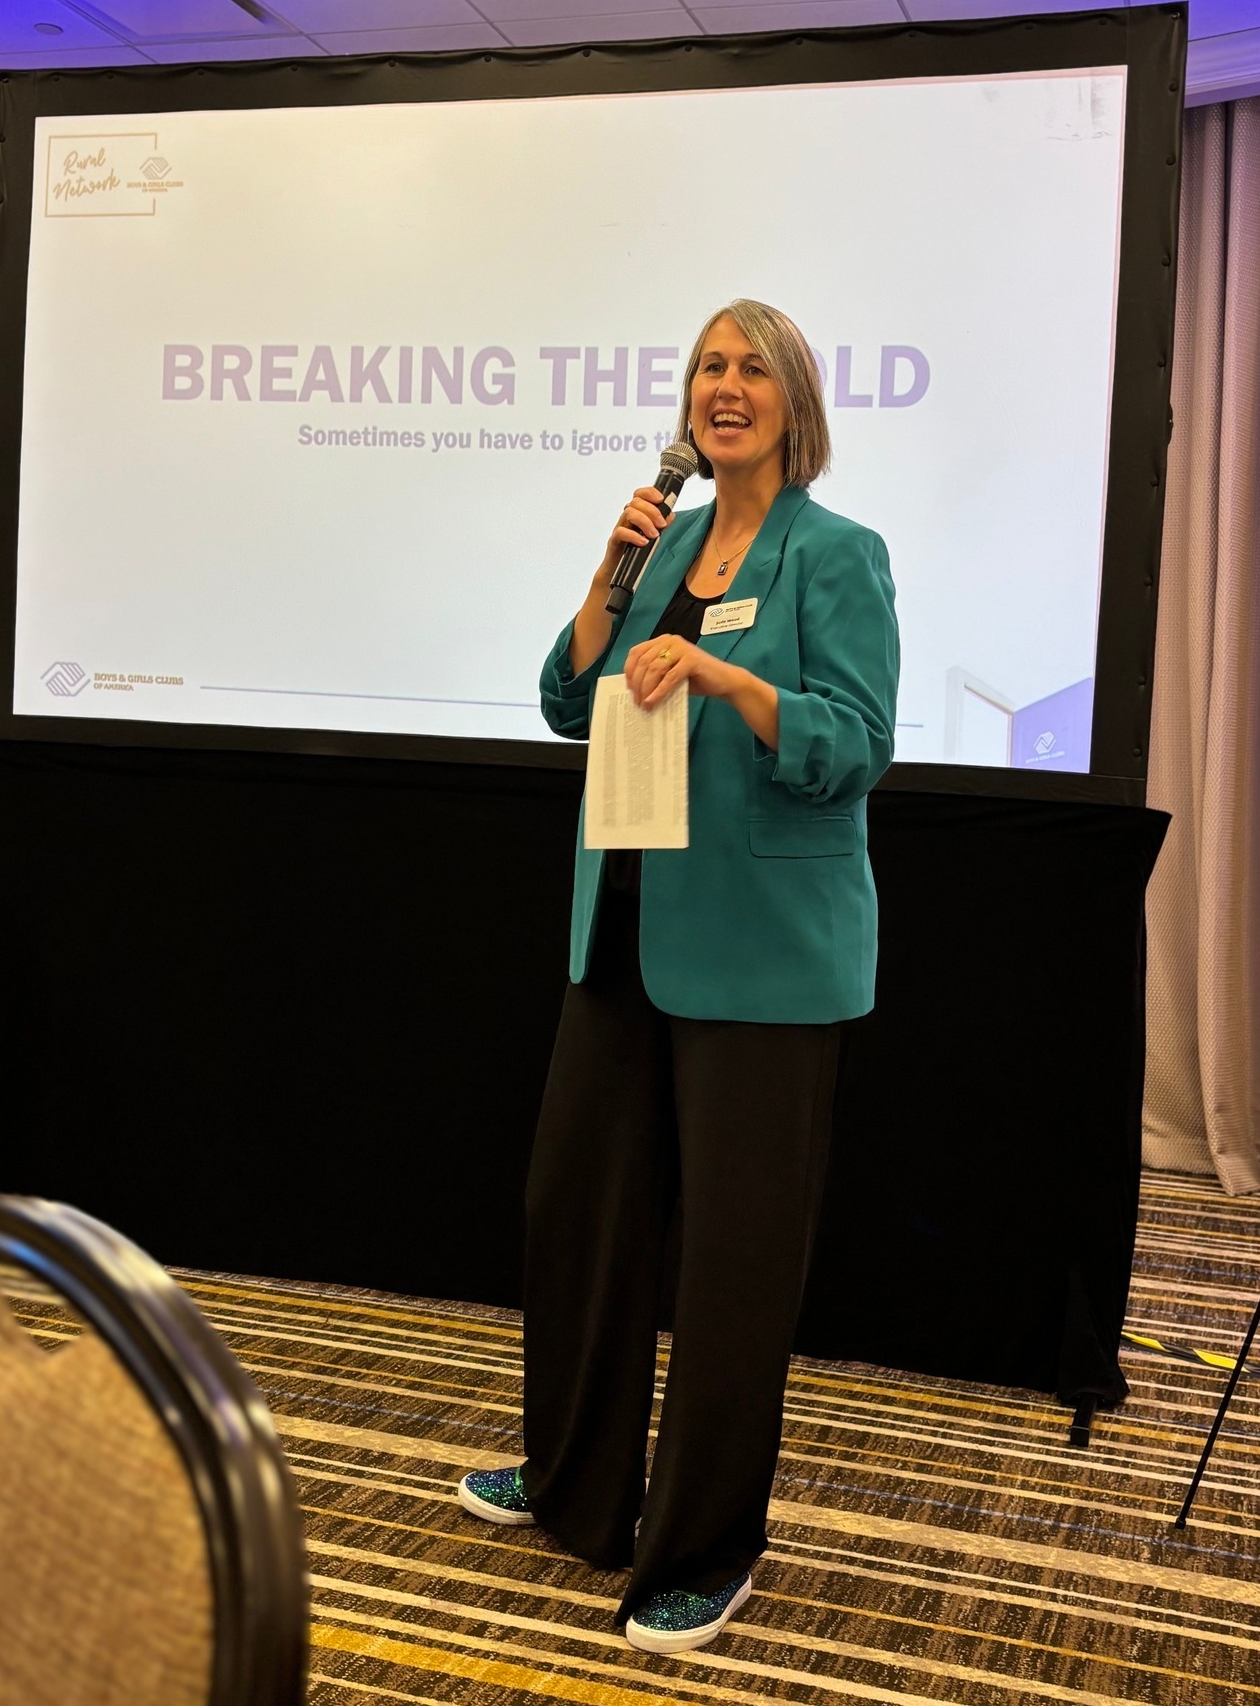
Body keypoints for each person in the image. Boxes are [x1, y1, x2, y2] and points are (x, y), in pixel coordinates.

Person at [459, 298, 899, 1654]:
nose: (726, 386)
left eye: (752, 367)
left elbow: (856, 746)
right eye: (709, 365)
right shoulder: (660, 547)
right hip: (623, 937)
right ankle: (574, 1476)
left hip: (764, 956)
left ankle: (706, 1544)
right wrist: (611, 570)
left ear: (794, 401)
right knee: (579, 1220)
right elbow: (564, 699)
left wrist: (726, 679)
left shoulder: (839, 554)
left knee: (731, 1267)